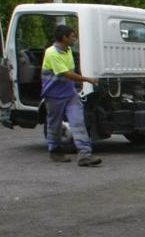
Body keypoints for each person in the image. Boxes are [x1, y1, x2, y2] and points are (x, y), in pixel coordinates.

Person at [42, 24, 101, 166]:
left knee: (78, 122)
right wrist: (87, 79)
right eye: (72, 36)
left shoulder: (67, 50)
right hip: (54, 95)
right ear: (64, 37)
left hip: (70, 94)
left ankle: (84, 155)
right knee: (54, 125)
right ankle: (55, 150)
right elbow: (65, 73)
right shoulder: (52, 53)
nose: (75, 38)